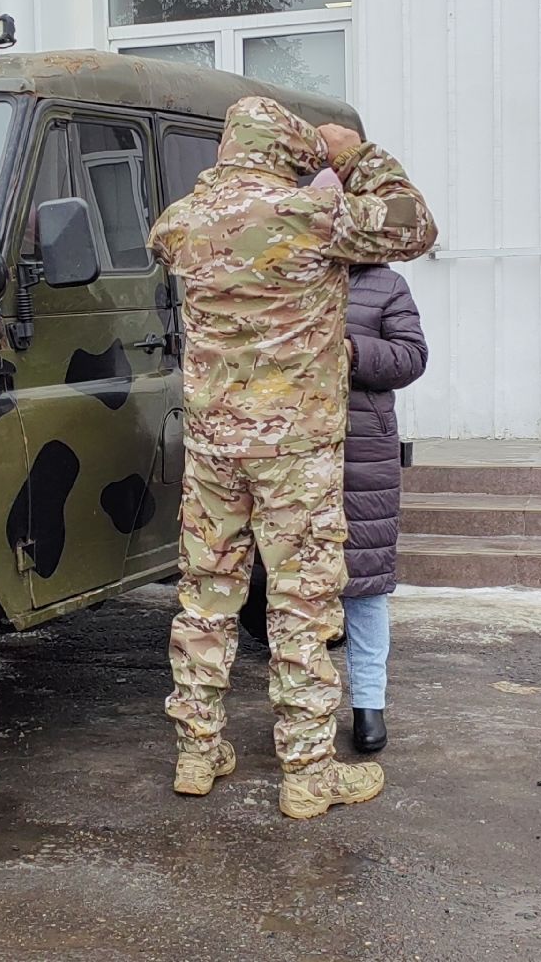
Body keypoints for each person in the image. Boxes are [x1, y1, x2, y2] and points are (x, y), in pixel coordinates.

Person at [149, 95, 437, 820]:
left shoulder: (182, 223)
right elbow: (414, 225)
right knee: (301, 605)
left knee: (206, 597)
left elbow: (168, 233)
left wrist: (227, 181)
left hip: (216, 449)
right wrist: (351, 155)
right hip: (295, 452)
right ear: (288, 151)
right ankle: (308, 774)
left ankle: (197, 750)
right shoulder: (310, 217)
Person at [338, 260, 427, 753]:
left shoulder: (385, 283)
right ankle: (300, 707)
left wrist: (352, 352)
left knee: (365, 582)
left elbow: (412, 356)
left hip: (363, 452)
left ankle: (368, 705)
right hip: (292, 449)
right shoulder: (286, 268)